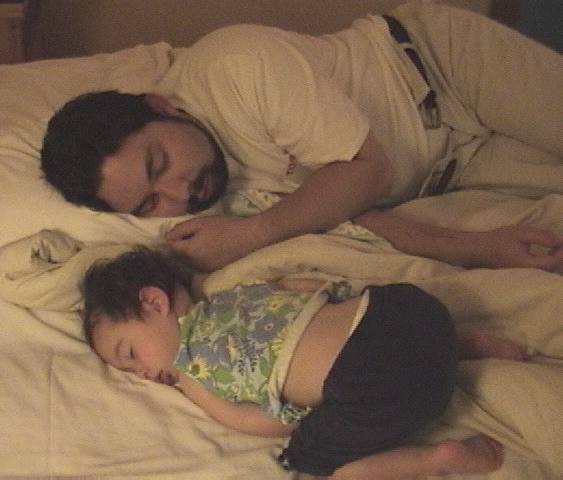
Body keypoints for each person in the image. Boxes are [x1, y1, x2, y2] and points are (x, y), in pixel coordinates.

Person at [41, 1, 563, 273]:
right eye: (149, 202)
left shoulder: (236, 66)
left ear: (160, 106)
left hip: (441, 69)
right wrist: (479, 248)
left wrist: (251, 233)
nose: (179, 193)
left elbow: (367, 171)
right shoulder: (200, 211)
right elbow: (343, 212)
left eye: (159, 165)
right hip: (453, 171)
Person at [81, 247, 527, 477]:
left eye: (130, 355)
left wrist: (300, 425)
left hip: (381, 382)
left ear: (153, 302)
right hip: (411, 312)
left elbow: (248, 420)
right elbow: (302, 286)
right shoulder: (237, 295)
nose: (142, 374)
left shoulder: (193, 370)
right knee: (388, 333)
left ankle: (439, 458)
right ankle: (466, 344)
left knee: (324, 464)